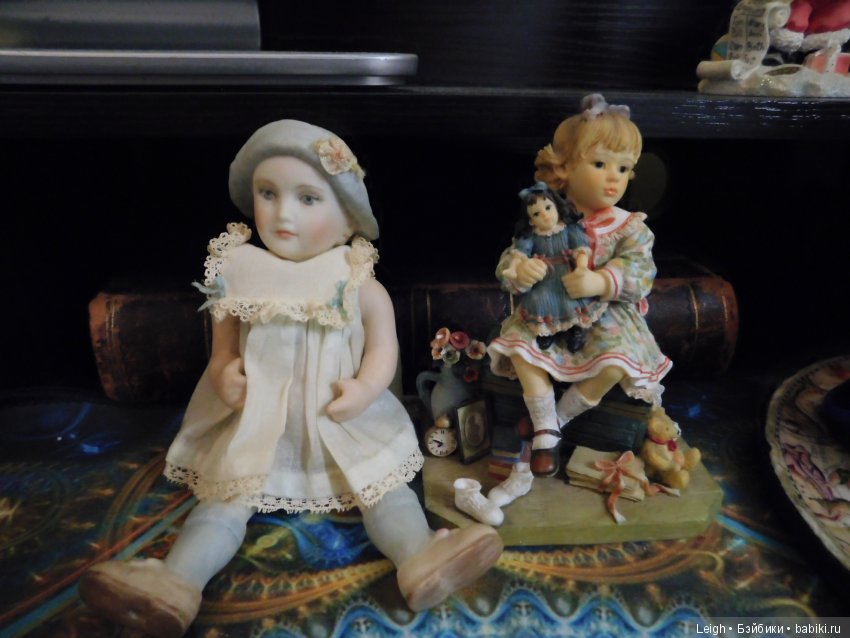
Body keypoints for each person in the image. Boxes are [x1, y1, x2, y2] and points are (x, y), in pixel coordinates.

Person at [80, 120, 502, 638]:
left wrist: (366, 388)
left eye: (307, 198)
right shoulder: (240, 274)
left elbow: (383, 347)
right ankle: (176, 582)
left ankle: (418, 557)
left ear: (346, 218)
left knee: (384, 489)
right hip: (259, 421)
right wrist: (225, 374)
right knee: (223, 501)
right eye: (268, 194)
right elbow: (224, 346)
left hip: (339, 419)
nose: (282, 214)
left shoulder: (356, 281)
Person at [488, 94, 672, 478]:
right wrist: (519, 270)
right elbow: (513, 253)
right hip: (547, 307)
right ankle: (545, 425)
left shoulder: (628, 226)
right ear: (565, 167)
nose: (613, 177)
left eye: (624, 168)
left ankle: (552, 423)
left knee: (615, 364)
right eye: (600, 164)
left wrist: (601, 280)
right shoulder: (544, 214)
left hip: (605, 315)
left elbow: (642, 271)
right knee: (521, 350)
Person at [502, 181, 607, 354]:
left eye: (548, 208)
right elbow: (520, 253)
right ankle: (547, 331)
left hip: (566, 273)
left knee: (572, 298)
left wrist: (581, 268)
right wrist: (516, 267)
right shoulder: (532, 236)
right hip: (544, 278)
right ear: (531, 220)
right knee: (539, 300)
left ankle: (576, 330)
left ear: (557, 207)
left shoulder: (569, 230)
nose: (545, 215)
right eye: (537, 213)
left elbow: (581, 249)